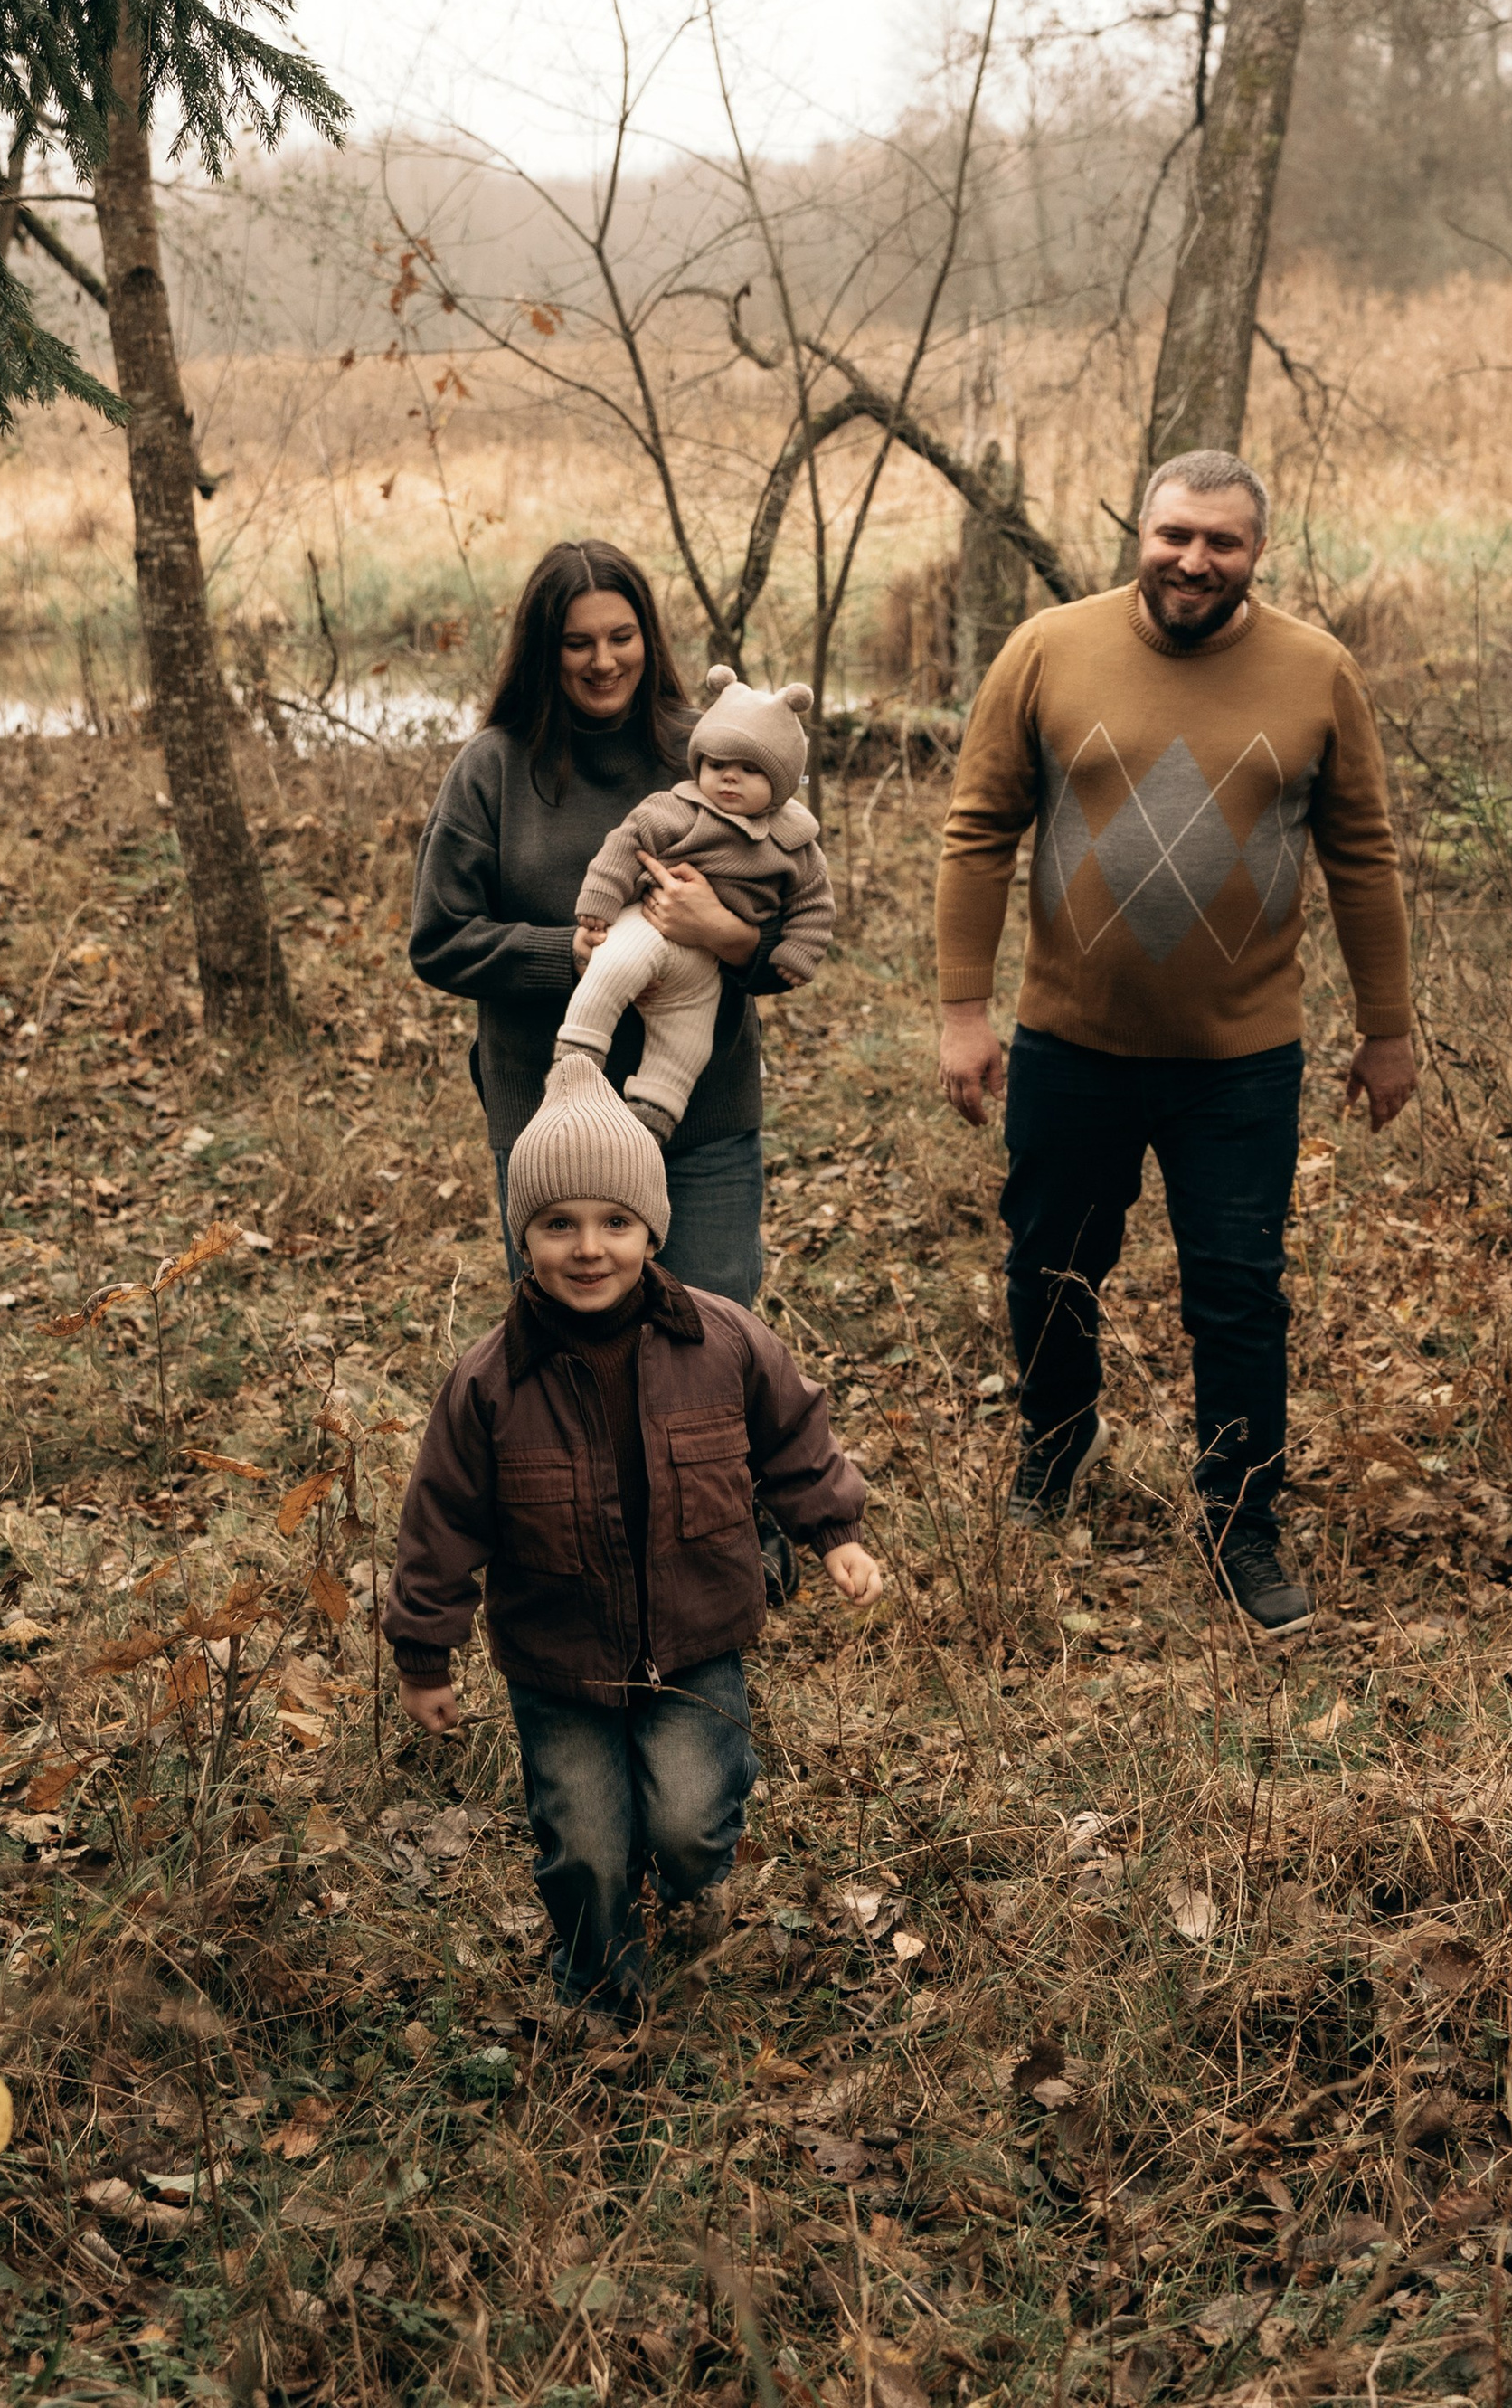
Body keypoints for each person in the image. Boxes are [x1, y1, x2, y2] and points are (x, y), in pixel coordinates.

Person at [933, 449, 1416, 1639]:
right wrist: (961, 1011)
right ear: (1138, 533)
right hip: (1069, 1043)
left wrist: (1389, 1028)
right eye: (1174, 535)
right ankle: (1056, 1443)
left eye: (1222, 542)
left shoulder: (1317, 672)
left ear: (1257, 552)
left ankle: (1242, 1519)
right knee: (1048, 1262)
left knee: (1239, 1295)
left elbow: (1364, 854)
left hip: (1241, 1059)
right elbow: (977, 829)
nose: (1194, 560)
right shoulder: (1048, 649)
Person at [383, 1054, 881, 2021]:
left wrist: (834, 1534)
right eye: (556, 1224)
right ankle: (600, 1984)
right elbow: (440, 1518)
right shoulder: (488, 1382)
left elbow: (793, 1438)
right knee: (583, 1840)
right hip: (558, 1657)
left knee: (689, 1824)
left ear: (653, 1227)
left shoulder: (726, 1341)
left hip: (695, 1637)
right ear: (520, 1235)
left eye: (615, 1222)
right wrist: (423, 1655)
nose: (588, 1248)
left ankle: (691, 1881)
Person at [409, 541, 787, 1308]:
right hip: (553, 1131)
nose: (603, 661)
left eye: (622, 637)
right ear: (544, 651)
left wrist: (720, 929)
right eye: (577, 643)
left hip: (701, 1119)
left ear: (649, 636)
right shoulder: (494, 768)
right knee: (572, 1370)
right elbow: (440, 937)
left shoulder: (711, 751)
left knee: (710, 1341)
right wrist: (569, 955)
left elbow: (792, 935)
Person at [557, 667, 835, 1141]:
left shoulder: (795, 843)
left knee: (687, 1039)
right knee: (611, 968)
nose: (730, 778)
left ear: (783, 780)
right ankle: (576, 1064)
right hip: (647, 924)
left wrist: (797, 951)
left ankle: (653, 1113)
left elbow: (814, 904)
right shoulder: (674, 809)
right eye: (717, 765)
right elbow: (623, 847)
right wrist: (600, 900)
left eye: (750, 770)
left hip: (706, 965)